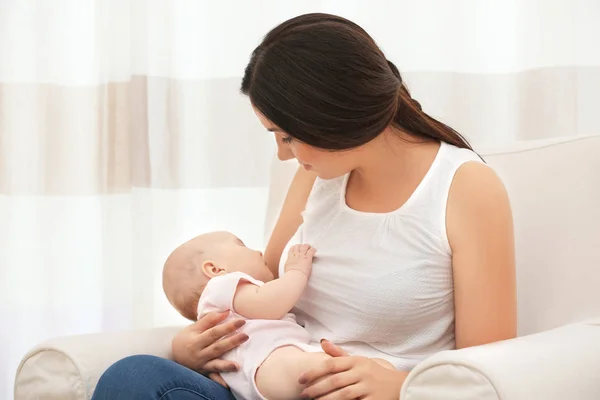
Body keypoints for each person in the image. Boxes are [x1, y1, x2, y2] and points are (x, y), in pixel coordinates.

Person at [92, 12, 516, 400]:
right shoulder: (314, 178)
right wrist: (193, 347)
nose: (283, 155)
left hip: (370, 395)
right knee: (132, 378)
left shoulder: (464, 187)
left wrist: (402, 387)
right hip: (278, 381)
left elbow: (488, 369)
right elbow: (264, 292)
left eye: (287, 136)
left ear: (330, 115)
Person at [162, 231, 395, 399]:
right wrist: (297, 272)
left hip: (262, 373)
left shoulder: (222, 304)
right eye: (241, 245)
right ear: (214, 269)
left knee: (377, 368)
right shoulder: (222, 286)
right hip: (270, 365)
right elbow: (269, 304)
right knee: (331, 372)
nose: (258, 251)